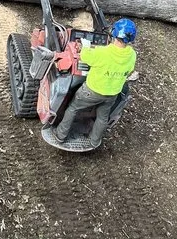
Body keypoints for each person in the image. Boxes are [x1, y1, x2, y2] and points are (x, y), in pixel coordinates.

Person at [54, 18, 137, 148]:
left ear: (114, 33)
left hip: (92, 91)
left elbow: (84, 56)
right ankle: (94, 141)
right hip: (112, 94)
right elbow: (129, 70)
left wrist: (83, 47)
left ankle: (60, 135)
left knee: (73, 108)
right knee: (102, 117)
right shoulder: (132, 55)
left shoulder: (103, 52)